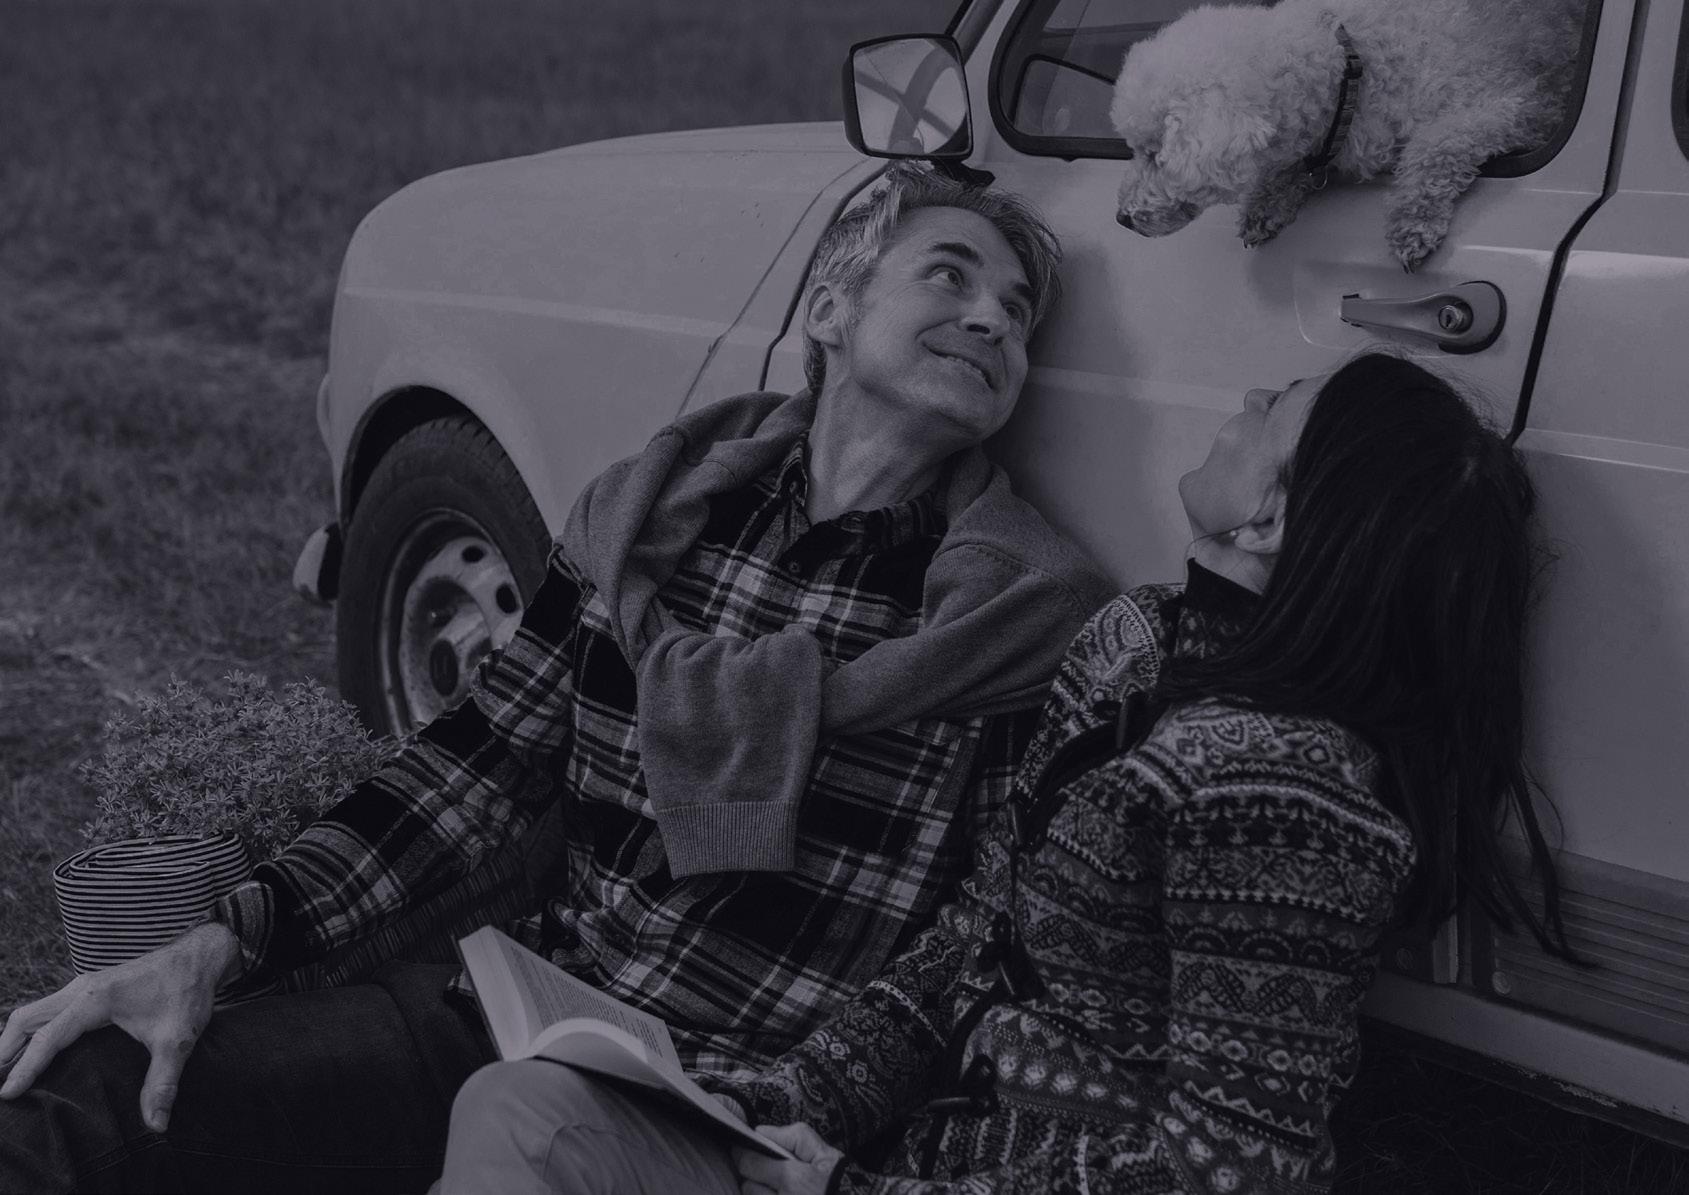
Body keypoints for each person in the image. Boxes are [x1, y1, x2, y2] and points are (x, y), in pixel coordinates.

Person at [0, 163, 1114, 1194]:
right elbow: (468, 771)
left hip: (725, 1104)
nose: (991, 319)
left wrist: (799, 1103)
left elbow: (978, 937)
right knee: (83, 1087)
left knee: (518, 1129)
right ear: (830, 309)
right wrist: (221, 940)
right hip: (520, 1012)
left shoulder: (1016, 616)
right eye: (951, 277)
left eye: (1017, 314)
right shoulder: (654, 520)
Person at [437, 353, 1579, 1194]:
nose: (1243, 395)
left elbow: (1236, 1172)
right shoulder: (1136, 640)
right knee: (529, 1113)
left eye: (1275, 403)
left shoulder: (1288, 799)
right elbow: (971, 938)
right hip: (886, 1148)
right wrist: (786, 1103)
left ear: (1272, 516)